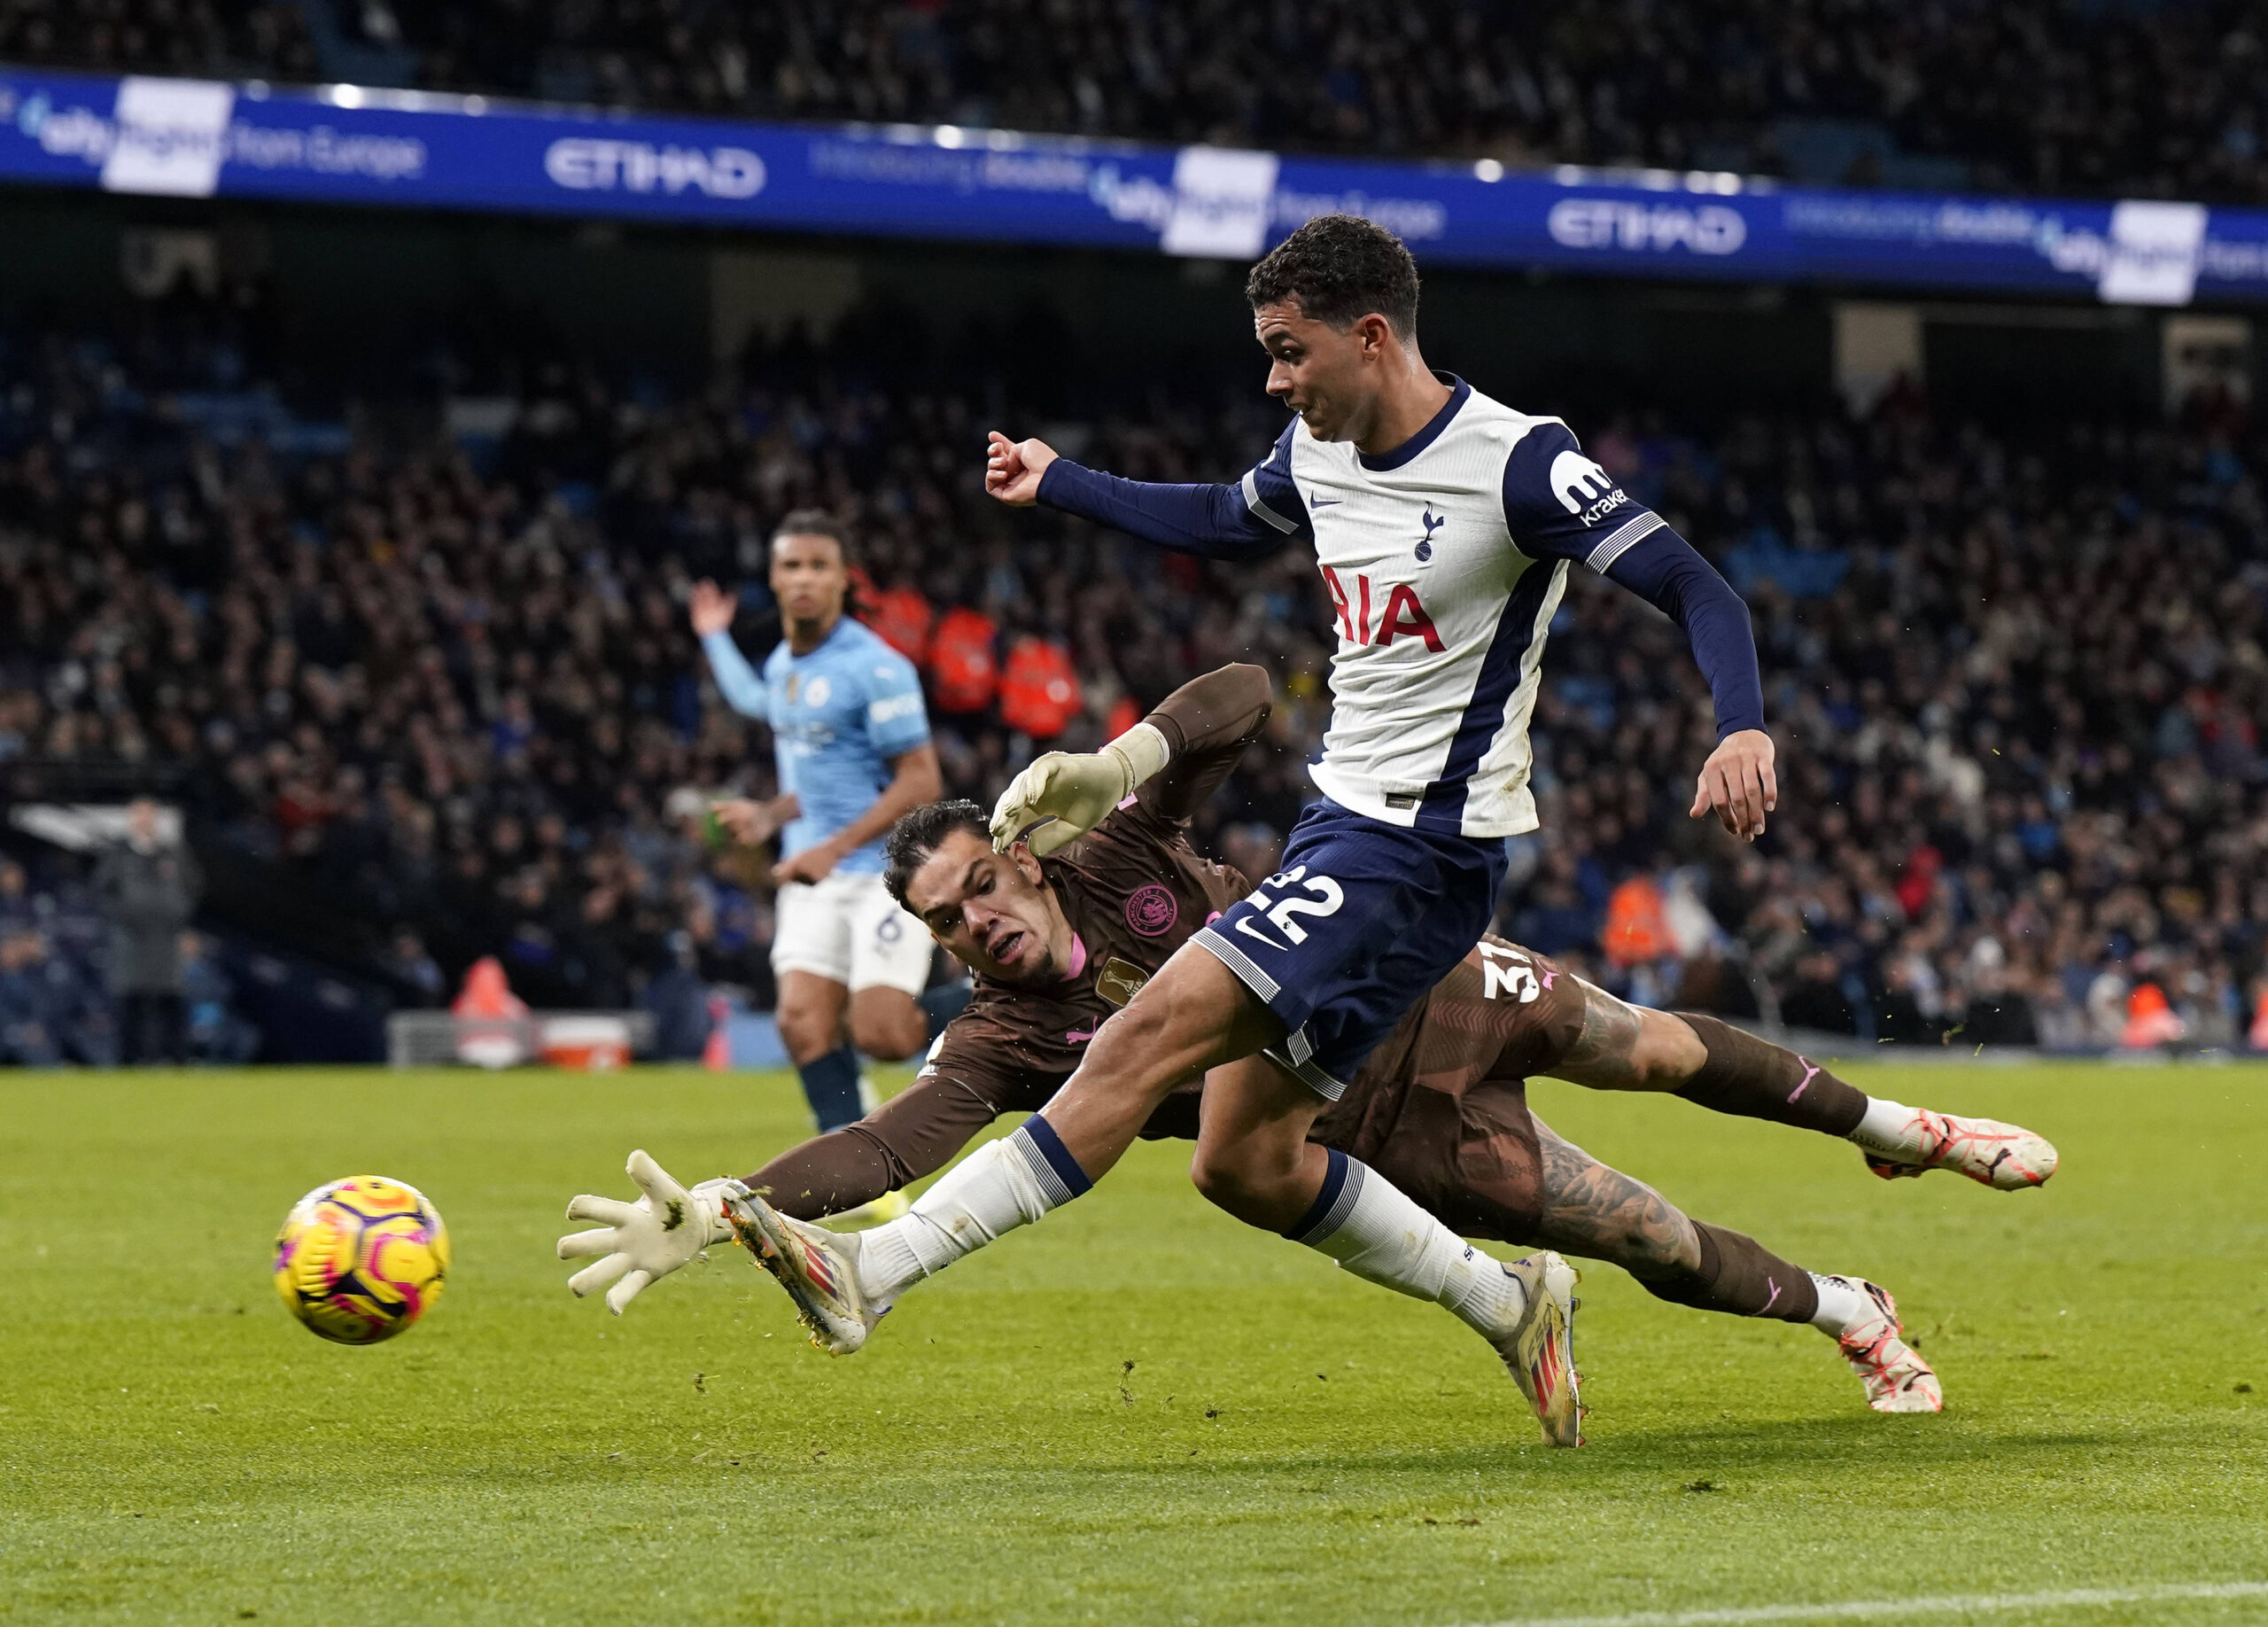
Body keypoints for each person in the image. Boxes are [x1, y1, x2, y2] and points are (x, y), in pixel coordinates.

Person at [682, 214, 1776, 1384]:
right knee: (1241, 1160)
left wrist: (1741, 722)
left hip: (1427, 848)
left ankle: (875, 1273)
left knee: (1141, 1034)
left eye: (1288, 351)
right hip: (1341, 829)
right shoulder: (1315, 460)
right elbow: (1215, 521)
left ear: (1368, 335)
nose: (1273, 378)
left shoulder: (1519, 461)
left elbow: (1690, 581)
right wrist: (1062, 483)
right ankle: (1513, 1304)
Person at [558, 666, 2057, 1434]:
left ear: (1015, 855)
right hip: (1371, 1129)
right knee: (1649, 1237)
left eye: (981, 894)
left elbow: (1247, 697)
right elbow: (891, 1143)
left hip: (1424, 976)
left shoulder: (1108, 843)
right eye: (948, 928)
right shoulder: (1007, 1039)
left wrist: (1120, 756)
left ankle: (1901, 1123)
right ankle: (1851, 1309)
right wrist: (730, 1199)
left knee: (1650, 1043)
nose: (978, 933)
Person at [692, 510, 949, 1135]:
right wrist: (767, 813)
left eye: (818, 566)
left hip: (885, 872)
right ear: (774, 580)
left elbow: (921, 782)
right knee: (801, 1023)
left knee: (884, 1034)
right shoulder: (784, 666)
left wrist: (831, 850)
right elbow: (816, 779)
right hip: (815, 872)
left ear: (843, 580)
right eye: (791, 566)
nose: (804, 578)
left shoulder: (876, 667)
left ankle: (1025, 998)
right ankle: (854, 1173)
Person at [93, 798, 201, 1065]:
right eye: (139, 815)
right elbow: (101, 890)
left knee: (170, 1001)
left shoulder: (173, 852)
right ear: (132, 820)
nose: (144, 820)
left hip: (166, 939)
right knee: (132, 1002)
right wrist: (123, 916)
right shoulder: (118, 853)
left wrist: (178, 914)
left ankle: (175, 1060)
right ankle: (130, 1061)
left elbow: (194, 885)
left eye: (149, 815)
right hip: (132, 940)